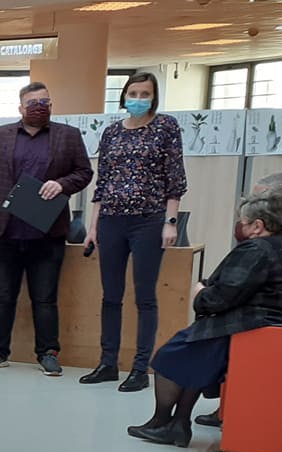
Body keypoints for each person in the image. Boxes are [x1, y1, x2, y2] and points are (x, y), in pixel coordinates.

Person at [128, 195, 282, 447]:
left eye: (243, 222)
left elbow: (220, 298)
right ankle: (178, 424)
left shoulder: (256, 250)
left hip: (250, 325)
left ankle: (162, 421)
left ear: (257, 226)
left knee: (170, 355)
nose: (240, 226)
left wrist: (200, 294)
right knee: (200, 358)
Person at [0, 81, 94, 376]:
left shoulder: (68, 136)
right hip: (3, 233)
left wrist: (62, 184)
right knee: (3, 296)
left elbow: (84, 172)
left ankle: (48, 353)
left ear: (51, 105)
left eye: (44, 102)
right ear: (20, 107)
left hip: (47, 233)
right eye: (33, 103)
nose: (39, 108)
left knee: (45, 298)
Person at [82, 72, 188, 393]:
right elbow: (102, 182)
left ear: (154, 98)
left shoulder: (166, 127)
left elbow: (175, 179)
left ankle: (141, 368)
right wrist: (93, 226)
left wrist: (171, 221)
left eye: (145, 94)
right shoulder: (112, 132)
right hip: (111, 219)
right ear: (124, 95)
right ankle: (108, 363)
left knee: (145, 296)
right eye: (133, 93)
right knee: (111, 295)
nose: (138, 99)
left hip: (149, 219)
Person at [196, 172, 282, 429]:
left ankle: (221, 409)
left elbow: (239, 286)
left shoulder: (273, 241)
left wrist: (205, 293)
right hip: (278, 310)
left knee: (196, 339)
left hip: (268, 315)